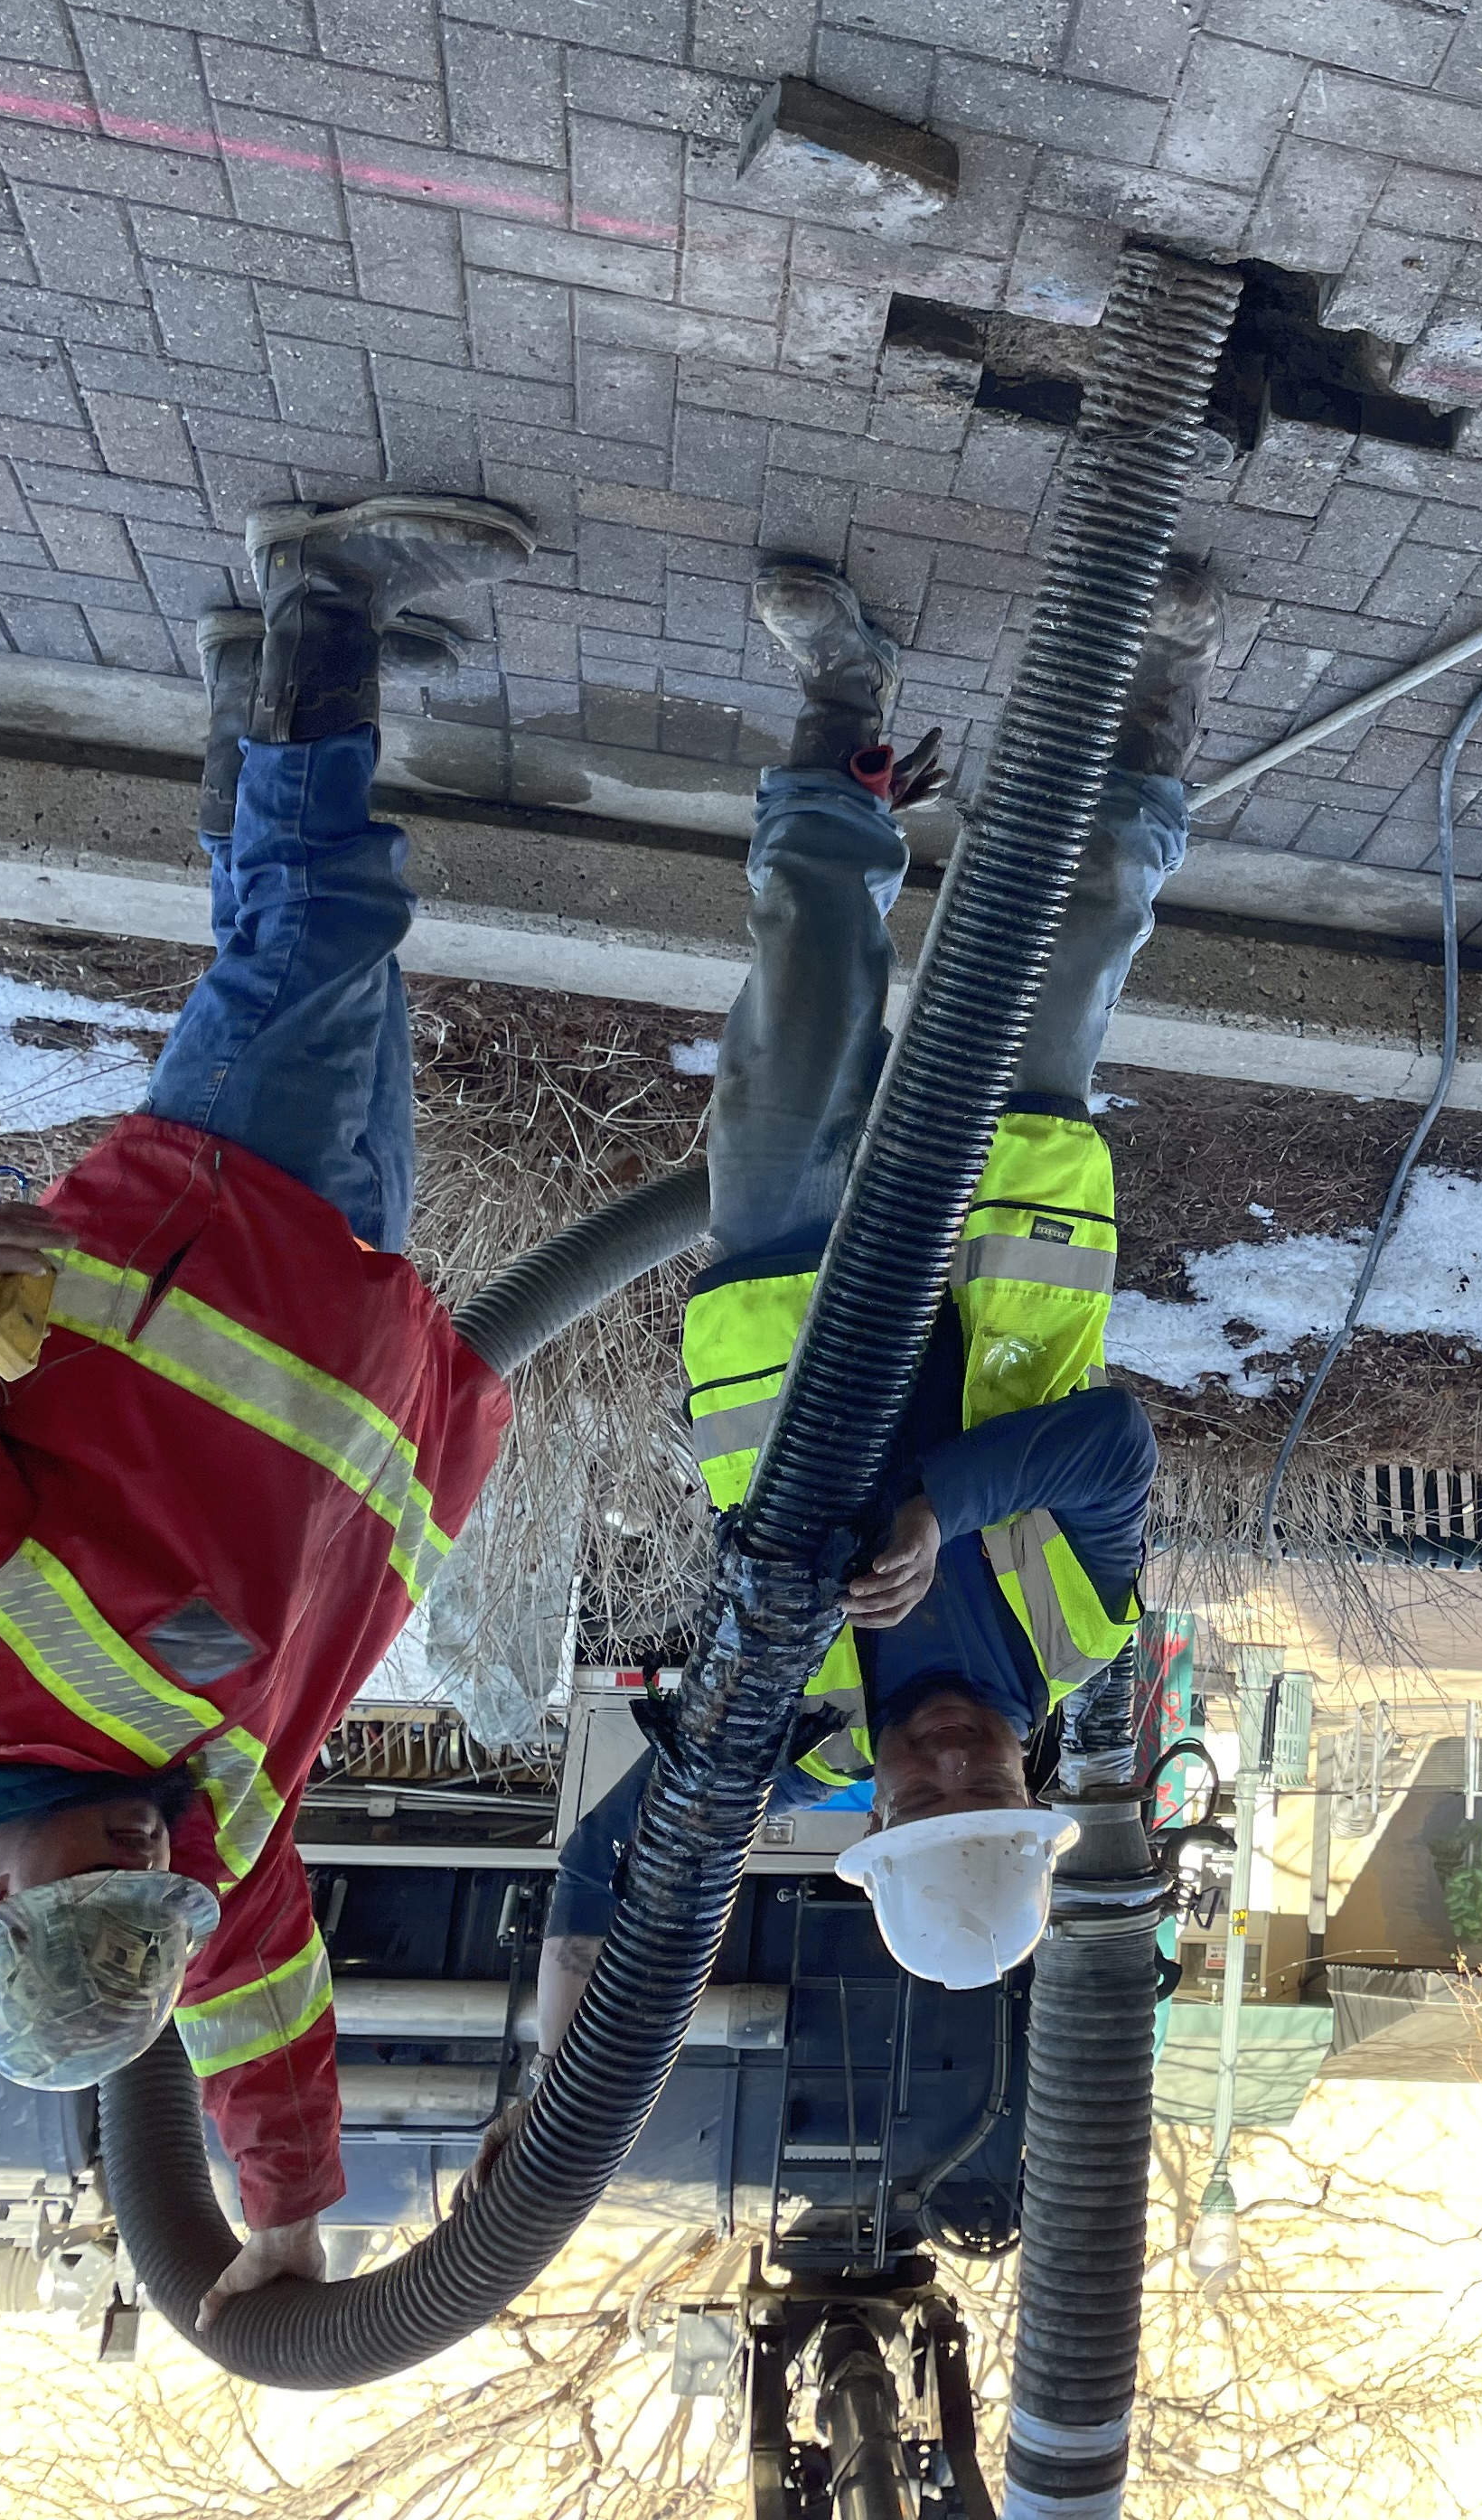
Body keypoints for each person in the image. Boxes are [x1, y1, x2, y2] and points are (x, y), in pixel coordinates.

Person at [0, 496, 536, 2324]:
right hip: (346, 1293)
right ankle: (260, 700)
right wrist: (283, 2209)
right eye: (147, 1904)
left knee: (320, 928)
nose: (140, 1868)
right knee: (312, 941)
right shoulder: (182, 1848)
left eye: (94, 1889)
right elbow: (256, 1995)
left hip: (206, 1232)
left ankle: (322, 601)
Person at [521, 550, 1213, 2067]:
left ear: (876, 1812)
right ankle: (1159, 685)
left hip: (788, 1273)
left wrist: (547, 2099)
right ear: (1036, 1787)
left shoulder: (787, 1713)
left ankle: (846, 693)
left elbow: (599, 1868)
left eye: (927, 1799)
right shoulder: (1077, 1631)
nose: (956, 1761)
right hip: (999, 1216)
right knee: (1074, 928)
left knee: (805, 969)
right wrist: (933, 1515)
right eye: (993, 1790)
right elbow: (1107, 1447)